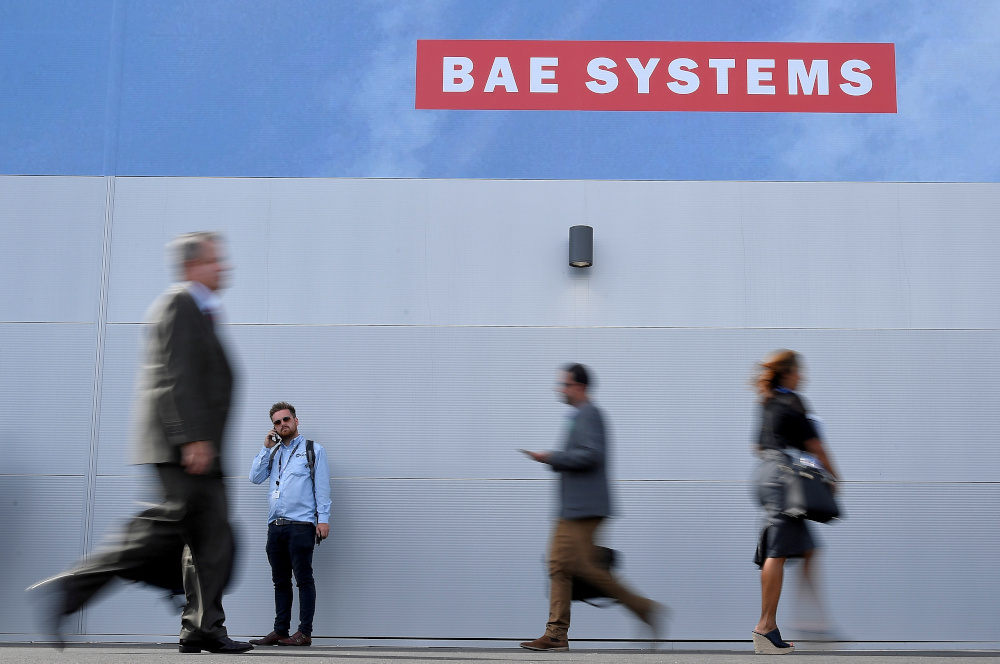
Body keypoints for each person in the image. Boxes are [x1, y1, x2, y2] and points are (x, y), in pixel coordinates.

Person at [27, 232, 252, 654]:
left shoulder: (201, 312)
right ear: (192, 266)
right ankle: (71, 589)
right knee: (165, 532)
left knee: (211, 539)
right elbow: (175, 376)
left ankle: (202, 628)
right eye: (215, 260)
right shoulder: (178, 304)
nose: (224, 267)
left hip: (201, 450)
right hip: (184, 449)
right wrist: (193, 438)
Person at [519, 363, 662, 652]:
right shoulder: (577, 416)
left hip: (584, 509)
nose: (560, 389)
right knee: (559, 566)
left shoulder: (591, 414)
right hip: (571, 508)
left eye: (565, 384)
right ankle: (556, 634)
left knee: (584, 568)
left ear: (579, 387)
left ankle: (644, 608)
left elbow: (592, 455)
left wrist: (552, 458)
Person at [751, 349, 839, 655]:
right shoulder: (793, 401)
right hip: (780, 478)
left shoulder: (768, 401)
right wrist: (834, 476)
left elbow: (757, 446)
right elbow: (816, 446)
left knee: (807, 548)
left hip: (766, 474)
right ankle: (766, 628)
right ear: (788, 373)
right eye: (799, 370)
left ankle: (810, 620)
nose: (803, 376)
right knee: (777, 551)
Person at [249, 402, 331, 647]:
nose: (282, 424)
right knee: (280, 581)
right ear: (273, 427)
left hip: (301, 525)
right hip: (276, 526)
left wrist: (323, 519)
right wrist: (266, 448)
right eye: (277, 422)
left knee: (303, 579)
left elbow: (322, 488)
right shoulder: (273, 453)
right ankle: (280, 630)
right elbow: (255, 477)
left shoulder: (313, 450)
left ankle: (304, 632)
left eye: (286, 419)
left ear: (296, 420)